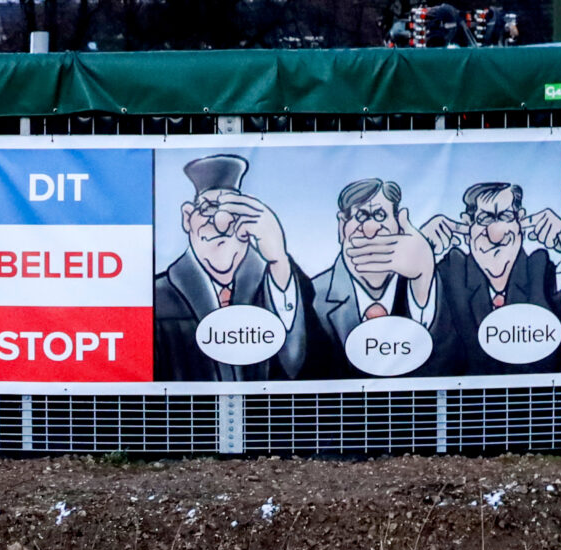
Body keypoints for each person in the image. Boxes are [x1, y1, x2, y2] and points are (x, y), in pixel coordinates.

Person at [152, 154, 315, 382]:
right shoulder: (158, 298)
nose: (222, 222)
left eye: (234, 210)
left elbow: (298, 363)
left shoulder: (277, 287)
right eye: (209, 208)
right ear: (188, 217)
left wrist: (278, 259)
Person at [309, 177, 462, 378]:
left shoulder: (443, 288)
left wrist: (423, 278)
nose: (371, 230)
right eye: (361, 216)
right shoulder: (312, 298)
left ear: (399, 223)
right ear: (341, 225)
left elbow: (451, 365)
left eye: (380, 215)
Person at [424, 180, 561, 374]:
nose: (495, 234)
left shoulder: (541, 270)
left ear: (521, 221)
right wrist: (421, 252)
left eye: (506, 217)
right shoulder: (450, 273)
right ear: (467, 224)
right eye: (485, 219)